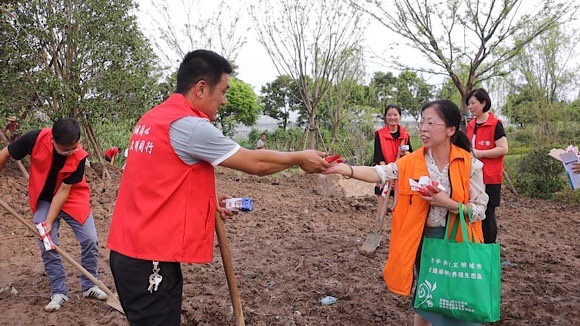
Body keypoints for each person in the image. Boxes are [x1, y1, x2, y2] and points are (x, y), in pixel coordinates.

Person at [107, 49, 329, 325]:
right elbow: (255, 163)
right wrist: (298, 158)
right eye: (223, 91)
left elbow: (157, 182)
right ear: (201, 88)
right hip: (150, 260)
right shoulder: (190, 126)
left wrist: (207, 201)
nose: (224, 100)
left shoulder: (153, 119)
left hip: (129, 252)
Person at [324, 100, 489, 326]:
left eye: (431, 123)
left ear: (451, 130)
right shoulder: (411, 161)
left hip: (458, 242)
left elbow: (479, 210)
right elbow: (380, 172)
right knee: (425, 297)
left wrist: (448, 203)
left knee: (456, 299)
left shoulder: (469, 164)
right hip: (425, 242)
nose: (423, 128)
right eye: (422, 122)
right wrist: (346, 169)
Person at [0, 118, 107, 312]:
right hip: (44, 197)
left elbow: (64, 190)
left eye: (74, 147)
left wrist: (49, 221)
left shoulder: (80, 155)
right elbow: (5, 154)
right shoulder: (35, 138)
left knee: (90, 239)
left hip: (73, 195)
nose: (71, 152)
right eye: (65, 149)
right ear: (52, 140)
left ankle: (89, 286)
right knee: (46, 242)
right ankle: (59, 291)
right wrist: (47, 224)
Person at [465, 88, 508, 244]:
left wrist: (480, 153)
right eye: (468, 104)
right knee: (474, 212)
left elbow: (503, 149)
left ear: (484, 103)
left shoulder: (495, 124)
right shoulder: (470, 124)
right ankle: (477, 244)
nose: (470, 107)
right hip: (473, 176)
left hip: (490, 176)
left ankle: (488, 248)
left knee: (488, 213)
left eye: (473, 103)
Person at [373, 104, 412, 213]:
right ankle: (378, 228)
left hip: (400, 175)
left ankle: (397, 229)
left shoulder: (405, 135)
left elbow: (411, 154)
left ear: (400, 116)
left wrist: (405, 153)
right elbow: (378, 156)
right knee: (381, 207)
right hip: (384, 172)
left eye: (395, 115)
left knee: (398, 207)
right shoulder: (379, 134)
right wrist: (386, 173)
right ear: (385, 117)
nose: (392, 118)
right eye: (389, 115)